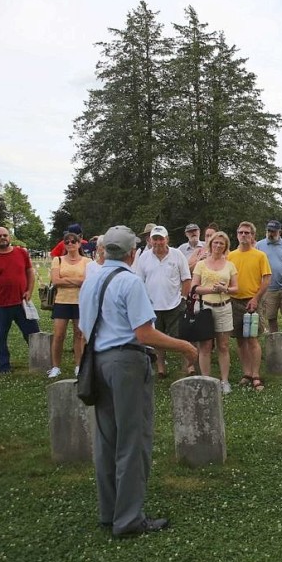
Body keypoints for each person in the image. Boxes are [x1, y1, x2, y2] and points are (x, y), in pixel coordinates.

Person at [79, 225, 197, 537]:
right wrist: (184, 346)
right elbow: (144, 333)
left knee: (106, 440)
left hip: (97, 361)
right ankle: (129, 519)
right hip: (126, 362)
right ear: (133, 253)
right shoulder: (130, 282)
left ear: (105, 251)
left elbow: (84, 327)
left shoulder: (91, 281)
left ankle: (109, 512)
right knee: (132, 441)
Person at [0, 227, 40, 373]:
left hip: (21, 303)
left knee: (33, 335)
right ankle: (3, 366)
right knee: (0, 337)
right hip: (0, 304)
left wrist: (29, 290)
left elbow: (30, 272)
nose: (2, 238)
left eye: (5, 235)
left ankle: (41, 362)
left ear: (9, 237)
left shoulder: (21, 253)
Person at [135, 225, 192, 378]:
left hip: (174, 304)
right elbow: (139, 281)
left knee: (180, 337)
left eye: (161, 238)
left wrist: (184, 298)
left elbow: (186, 279)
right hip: (151, 306)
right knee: (157, 339)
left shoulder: (177, 254)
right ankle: (161, 368)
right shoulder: (144, 257)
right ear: (150, 240)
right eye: (155, 239)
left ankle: (187, 367)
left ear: (167, 239)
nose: (158, 242)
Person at [192, 231, 238, 394]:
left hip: (224, 307)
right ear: (210, 244)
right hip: (205, 307)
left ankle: (224, 380)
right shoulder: (201, 264)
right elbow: (194, 287)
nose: (218, 246)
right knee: (204, 345)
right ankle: (207, 380)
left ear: (226, 246)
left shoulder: (230, 265)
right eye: (215, 243)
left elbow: (235, 288)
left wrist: (224, 289)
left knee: (223, 346)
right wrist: (211, 288)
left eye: (222, 244)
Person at [228, 221, 271, 391]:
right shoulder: (230, 256)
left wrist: (256, 298)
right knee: (240, 339)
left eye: (247, 233)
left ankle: (256, 374)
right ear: (237, 235)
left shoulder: (260, 256)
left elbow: (266, 279)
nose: (243, 235)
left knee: (252, 339)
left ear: (253, 235)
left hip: (253, 301)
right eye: (241, 232)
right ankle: (246, 373)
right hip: (234, 301)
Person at [47, 231, 89, 378]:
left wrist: (66, 280)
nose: (70, 244)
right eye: (67, 242)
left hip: (80, 302)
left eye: (73, 241)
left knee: (79, 335)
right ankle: (55, 366)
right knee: (58, 335)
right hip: (62, 301)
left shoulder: (86, 261)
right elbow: (56, 281)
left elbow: (87, 281)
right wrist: (76, 281)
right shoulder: (57, 260)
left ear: (79, 243)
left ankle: (79, 365)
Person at [256, 220, 282, 334]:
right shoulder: (259, 245)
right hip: (268, 288)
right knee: (271, 316)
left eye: (273, 231)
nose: (271, 233)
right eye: (269, 231)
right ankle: (274, 340)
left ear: (280, 232)